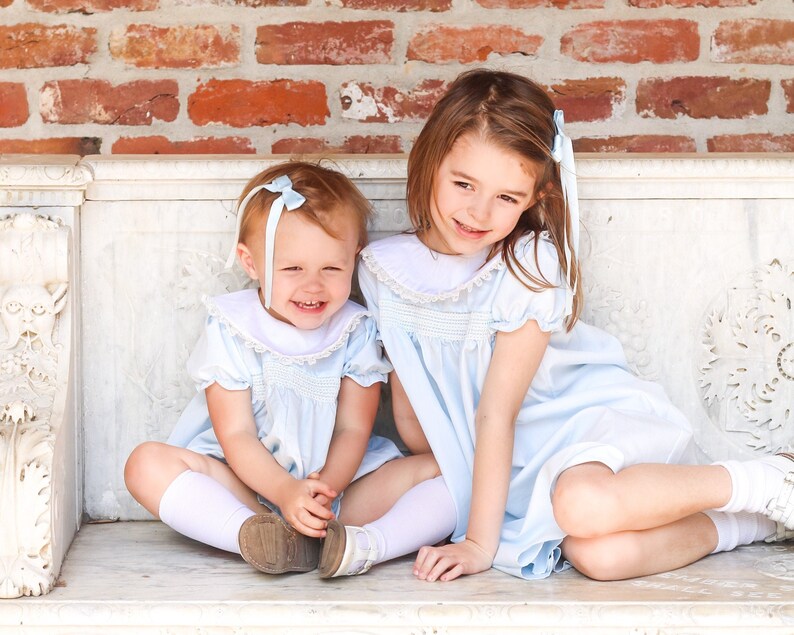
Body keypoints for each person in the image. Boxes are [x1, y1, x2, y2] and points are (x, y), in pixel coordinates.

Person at [325, 69, 794, 582]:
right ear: (430, 161)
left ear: (535, 197)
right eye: (463, 184)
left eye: (507, 197)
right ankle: (754, 523)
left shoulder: (528, 263)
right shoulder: (383, 272)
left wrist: (480, 544)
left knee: (582, 505)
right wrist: (436, 468)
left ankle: (765, 478)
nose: (479, 211)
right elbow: (418, 417)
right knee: (599, 557)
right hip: (505, 462)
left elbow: (495, 415)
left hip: (575, 427)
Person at [125, 161, 453, 575]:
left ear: (355, 257)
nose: (313, 285)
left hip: (341, 492)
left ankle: (364, 545)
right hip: (248, 489)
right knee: (145, 464)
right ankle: (256, 537)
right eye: (292, 269)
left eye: (331, 268)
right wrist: (284, 493)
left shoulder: (356, 329)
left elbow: (355, 428)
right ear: (250, 262)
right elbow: (237, 434)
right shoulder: (231, 327)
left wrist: (319, 495)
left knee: (452, 472)